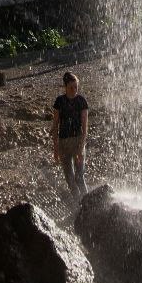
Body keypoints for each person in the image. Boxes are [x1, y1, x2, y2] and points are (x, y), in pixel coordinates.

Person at [52, 71, 88, 201]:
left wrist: (80, 149)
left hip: (78, 141)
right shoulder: (59, 101)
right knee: (69, 178)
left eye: (76, 87)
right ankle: (79, 203)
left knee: (79, 177)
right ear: (65, 87)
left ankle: (87, 201)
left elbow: (85, 128)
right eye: (71, 87)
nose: (74, 90)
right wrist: (56, 148)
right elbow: (55, 126)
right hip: (64, 143)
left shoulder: (81, 101)